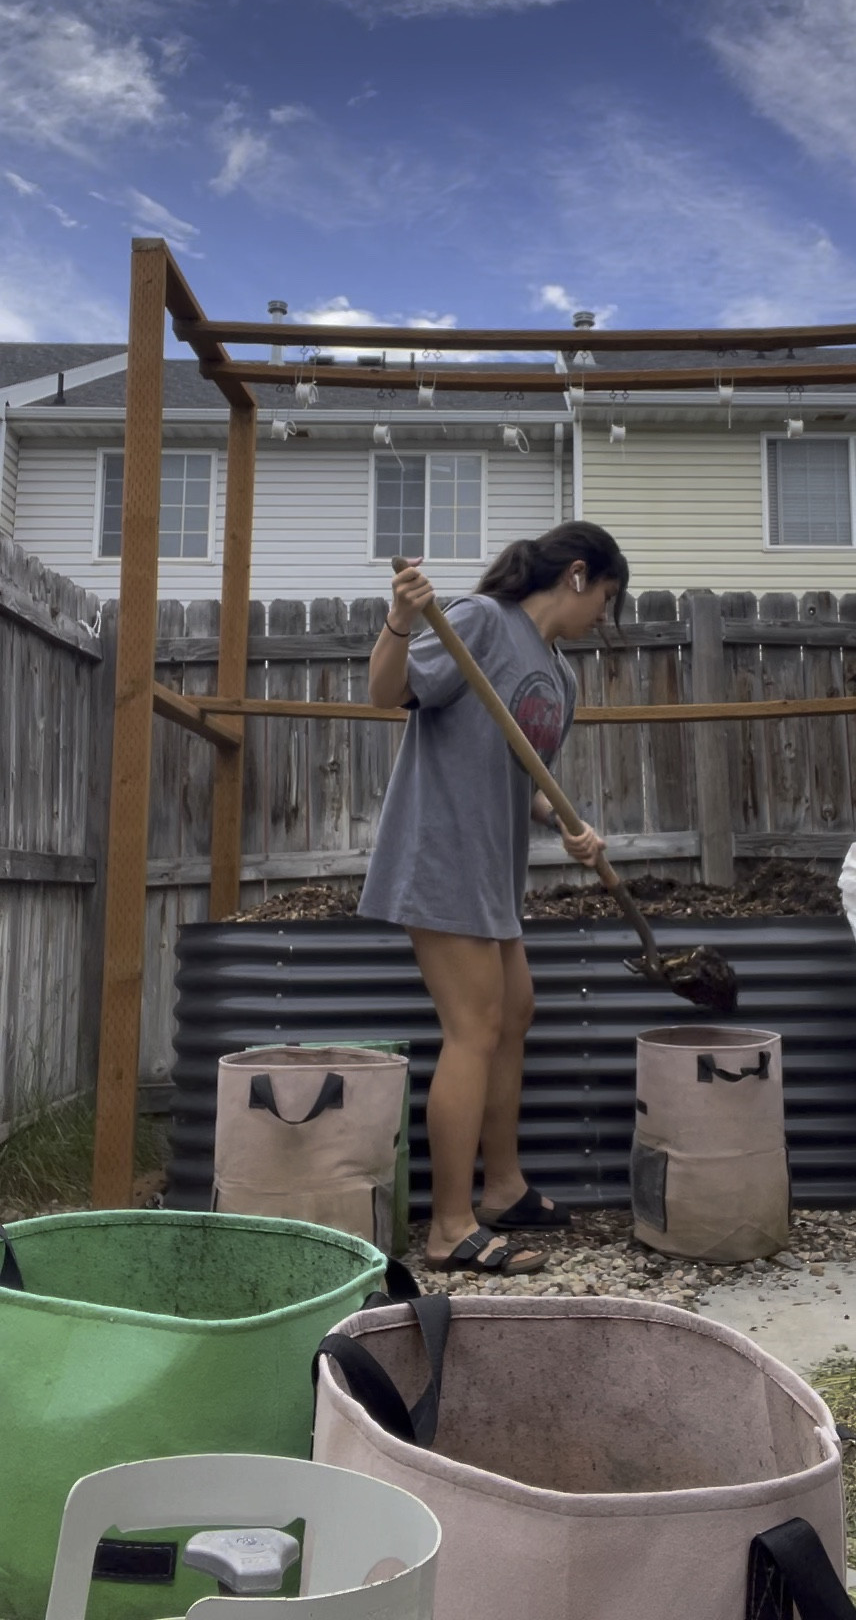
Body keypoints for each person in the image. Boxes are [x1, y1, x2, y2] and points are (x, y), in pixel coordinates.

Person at [361, 521, 629, 1276]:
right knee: (474, 1027)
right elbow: (388, 692)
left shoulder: (561, 676)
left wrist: (567, 824)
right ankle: (450, 1227)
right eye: (607, 597)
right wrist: (401, 619)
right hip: (441, 854)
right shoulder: (480, 621)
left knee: (515, 1011)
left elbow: (522, 775)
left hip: (493, 870)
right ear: (578, 575)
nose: (605, 616)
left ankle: (503, 1186)